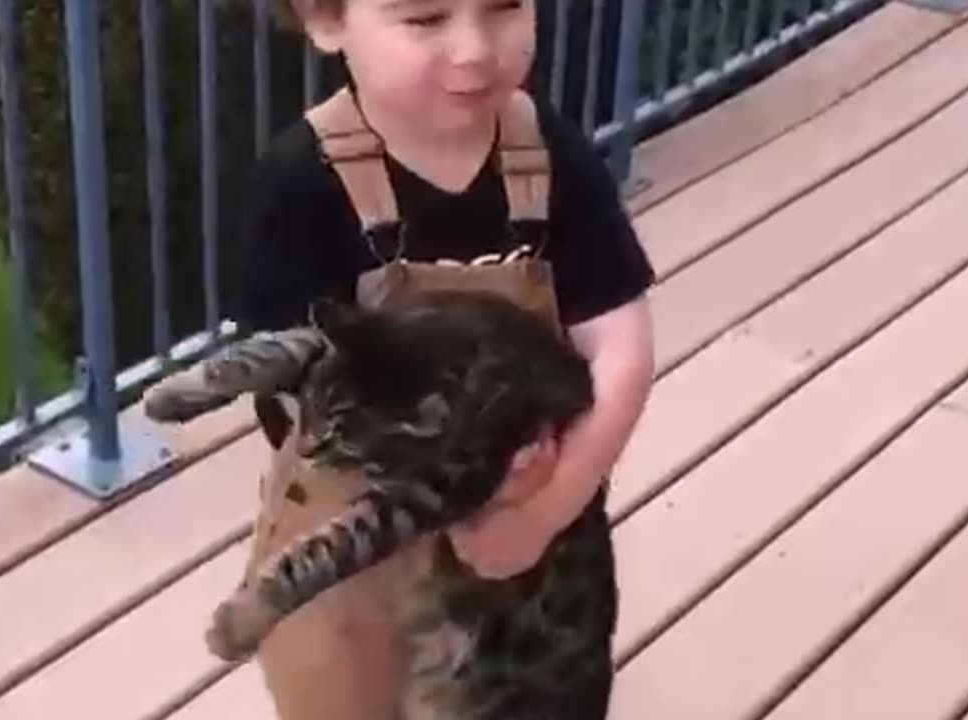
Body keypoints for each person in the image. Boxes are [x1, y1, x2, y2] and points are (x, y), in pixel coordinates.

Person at [228, 0, 656, 716]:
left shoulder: (551, 155)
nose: (474, 50)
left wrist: (548, 506)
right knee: (342, 694)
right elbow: (290, 402)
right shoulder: (299, 182)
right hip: (360, 539)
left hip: (533, 534)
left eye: (505, 7)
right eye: (426, 20)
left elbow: (622, 348)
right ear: (327, 20)